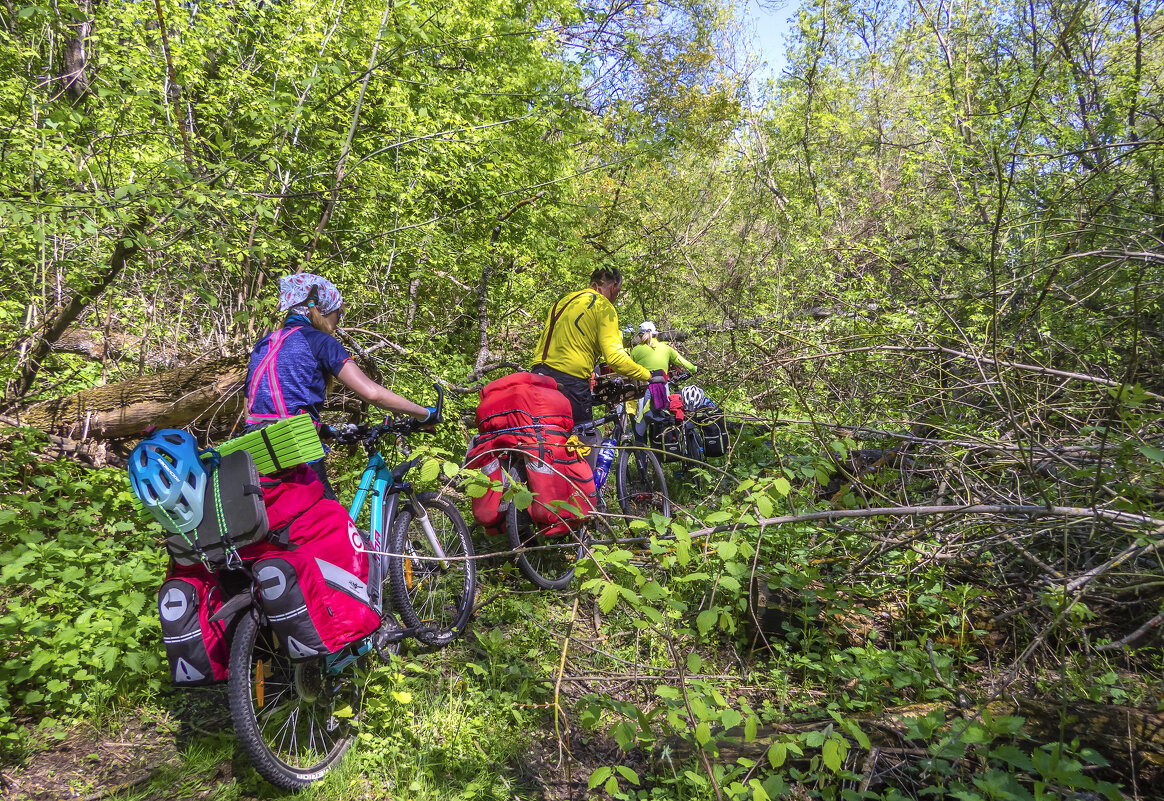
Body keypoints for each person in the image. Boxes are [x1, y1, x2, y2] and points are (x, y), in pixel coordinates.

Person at [245, 273, 434, 495]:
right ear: (322, 310)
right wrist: (424, 414)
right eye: (339, 313)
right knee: (332, 523)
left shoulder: (265, 343)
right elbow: (372, 393)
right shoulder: (320, 342)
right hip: (295, 443)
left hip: (254, 446)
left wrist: (320, 429)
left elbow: (256, 405)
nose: (337, 323)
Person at [530, 267, 655, 423]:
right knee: (583, 440)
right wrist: (649, 376)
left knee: (544, 436)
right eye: (617, 293)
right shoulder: (602, 305)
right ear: (613, 286)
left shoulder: (563, 301)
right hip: (569, 382)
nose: (614, 299)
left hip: (537, 376)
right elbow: (615, 358)